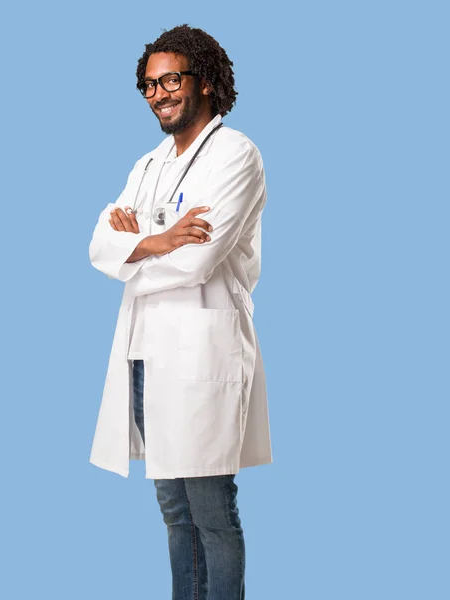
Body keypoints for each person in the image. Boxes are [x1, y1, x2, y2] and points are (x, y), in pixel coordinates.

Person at [88, 24, 272, 600]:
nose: (158, 93)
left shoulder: (236, 154)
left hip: (201, 352)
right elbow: (99, 244)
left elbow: (199, 262)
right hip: (145, 356)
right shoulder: (146, 165)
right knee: (172, 508)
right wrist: (161, 240)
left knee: (211, 508)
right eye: (148, 85)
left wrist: (138, 244)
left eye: (171, 79)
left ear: (207, 83)